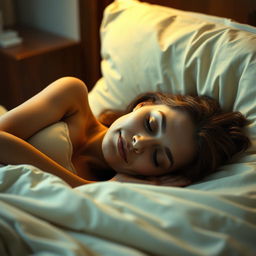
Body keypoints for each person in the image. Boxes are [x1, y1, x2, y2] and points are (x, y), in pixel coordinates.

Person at [0, 77, 250, 188]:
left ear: (160, 174)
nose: (139, 143)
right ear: (144, 104)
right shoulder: (73, 96)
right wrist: (80, 186)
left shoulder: (116, 190)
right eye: (151, 124)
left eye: (157, 158)